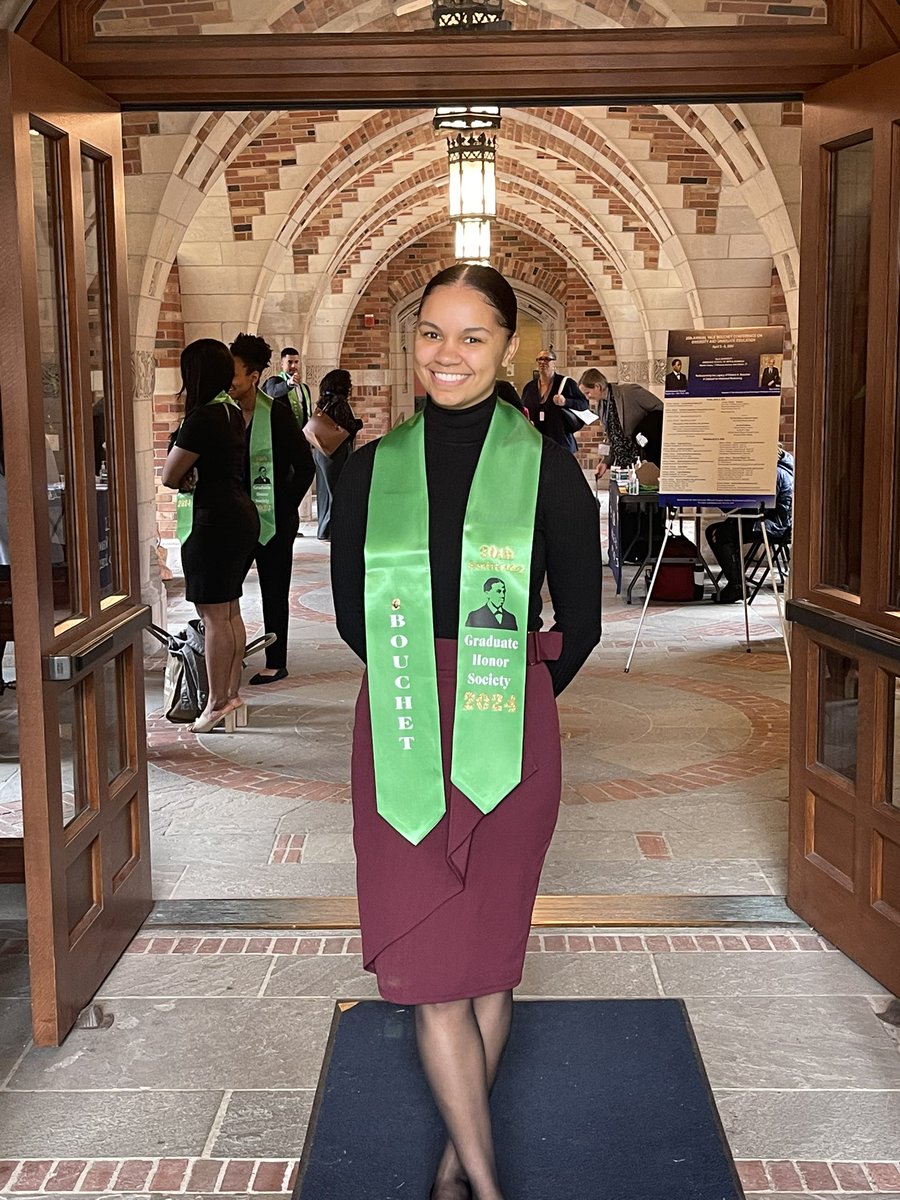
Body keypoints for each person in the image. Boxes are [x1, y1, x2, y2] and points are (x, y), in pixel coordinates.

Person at [331, 264, 602, 1200]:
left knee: (487, 967)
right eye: (431, 334)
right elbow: (350, 620)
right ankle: (483, 1185)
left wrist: (511, 692)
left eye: (471, 336)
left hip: (506, 733)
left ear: (508, 348)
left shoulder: (547, 467)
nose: (447, 355)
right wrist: (428, 679)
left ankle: (458, 1167)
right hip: (404, 720)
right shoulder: (370, 467)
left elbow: (583, 620)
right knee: (436, 973)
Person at [162, 339, 259, 732]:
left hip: (214, 520)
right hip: (238, 515)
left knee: (214, 615)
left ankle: (217, 702)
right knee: (230, 610)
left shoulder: (203, 417)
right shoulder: (232, 411)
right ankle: (230, 695)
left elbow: (170, 475)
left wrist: (186, 473)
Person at [229, 333, 315, 685]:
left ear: (253, 376)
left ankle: (275, 661)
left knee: (274, 589)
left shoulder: (276, 415)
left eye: (233, 373)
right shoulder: (222, 414)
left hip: (272, 520)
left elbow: (305, 467)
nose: (227, 381)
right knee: (228, 590)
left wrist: (282, 506)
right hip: (232, 519)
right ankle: (230, 654)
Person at [705, 446, 794, 603]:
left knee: (721, 533)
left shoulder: (775, 474)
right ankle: (737, 578)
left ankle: (737, 585)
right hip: (777, 522)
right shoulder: (783, 467)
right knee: (722, 528)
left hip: (774, 525)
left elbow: (757, 507)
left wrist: (729, 502)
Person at [312, 368, 362, 541]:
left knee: (323, 493)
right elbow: (347, 427)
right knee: (338, 491)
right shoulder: (340, 402)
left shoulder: (322, 401)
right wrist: (359, 423)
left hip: (320, 450)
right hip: (335, 452)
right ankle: (335, 530)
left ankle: (323, 530)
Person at [592, 370, 664, 478]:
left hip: (641, 456)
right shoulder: (601, 406)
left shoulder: (630, 392)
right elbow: (610, 436)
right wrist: (605, 462)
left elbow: (660, 408)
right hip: (621, 463)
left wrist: (645, 428)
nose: (587, 397)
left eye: (587, 392)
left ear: (597, 387)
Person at [520, 349, 589, 453]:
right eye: (540, 359)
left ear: (554, 363)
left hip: (561, 442)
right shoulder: (529, 387)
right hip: (537, 444)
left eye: (547, 359)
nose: (542, 362)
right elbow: (523, 410)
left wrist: (566, 402)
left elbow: (584, 404)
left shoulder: (566, 383)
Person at [261, 345, 313, 431]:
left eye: (296, 362)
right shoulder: (274, 381)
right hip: (282, 433)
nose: (293, 365)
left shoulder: (304, 387)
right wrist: (289, 383)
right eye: (289, 362)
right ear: (282, 364)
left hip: (301, 433)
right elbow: (273, 392)